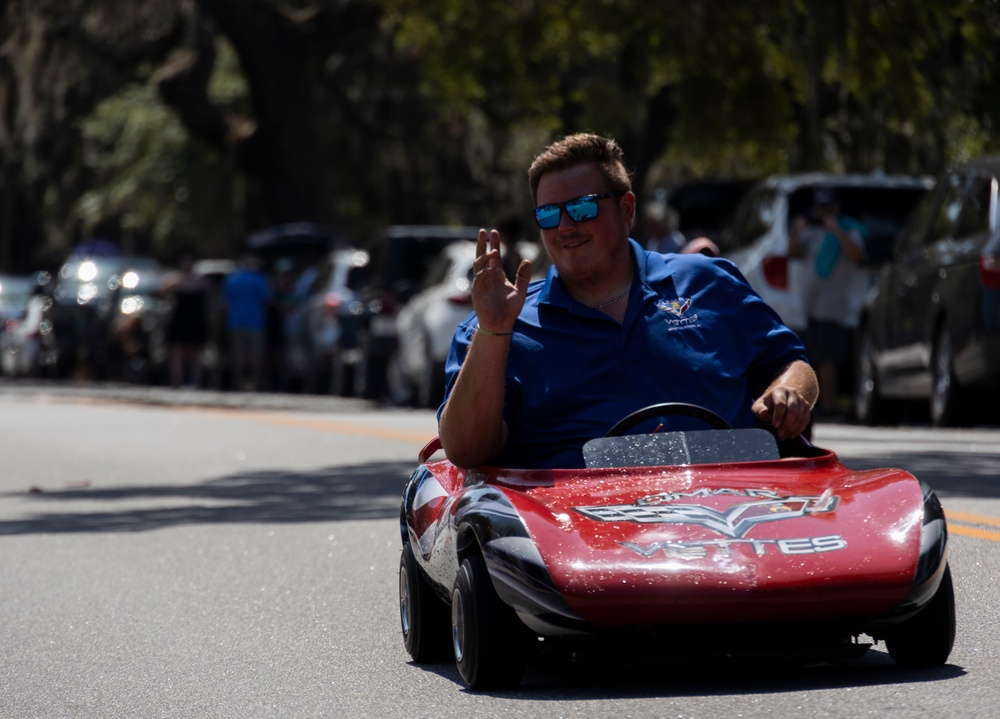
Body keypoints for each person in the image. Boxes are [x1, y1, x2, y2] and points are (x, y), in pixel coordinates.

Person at [438, 132, 818, 470]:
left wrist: (789, 393)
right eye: (549, 214)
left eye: (583, 207)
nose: (566, 226)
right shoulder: (501, 323)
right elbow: (467, 452)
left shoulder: (708, 281)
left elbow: (790, 362)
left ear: (626, 210)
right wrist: (493, 330)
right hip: (577, 536)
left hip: (728, 514)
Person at [787, 187, 866, 419]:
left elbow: (857, 255)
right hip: (810, 306)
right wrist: (796, 231)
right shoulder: (812, 233)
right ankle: (818, 404)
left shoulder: (850, 230)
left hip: (833, 307)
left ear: (837, 208)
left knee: (828, 358)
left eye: (828, 208)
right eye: (820, 208)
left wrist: (837, 231)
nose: (824, 213)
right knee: (814, 356)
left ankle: (830, 405)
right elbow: (792, 253)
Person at [223, 255, 272, 391]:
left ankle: (237, 384)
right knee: (255, 355)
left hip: (235, 321)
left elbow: (225, 301)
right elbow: (267, 299)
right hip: (256, 322)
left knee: (238, 355)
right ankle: (256, 384)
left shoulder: (232, 279)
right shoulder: (259, 279)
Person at [161, 253, 210, 388]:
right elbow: (162, 291)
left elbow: (210, 295)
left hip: (196, 320)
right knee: (177, 352)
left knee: (195, 354)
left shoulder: (201, 282)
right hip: (179, 319)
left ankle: (197, 382)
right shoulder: (175, 281)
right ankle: (177, 382)